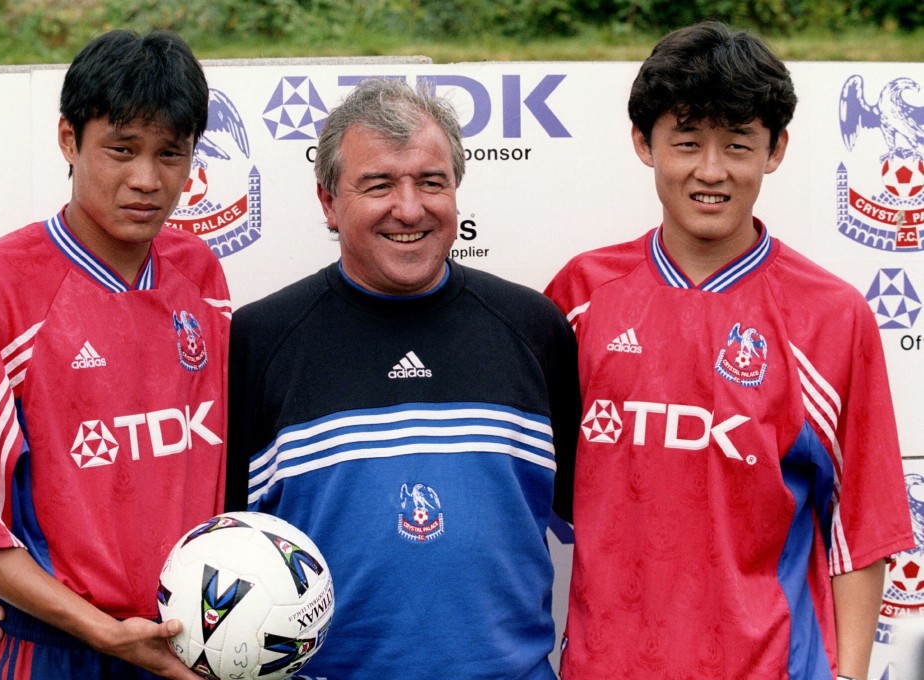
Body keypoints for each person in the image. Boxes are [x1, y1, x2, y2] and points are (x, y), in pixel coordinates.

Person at [545, 21, 914, 680]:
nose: (710, 171)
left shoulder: (831, 316)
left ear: (774, 151)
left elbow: (860, 527)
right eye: (686, 143)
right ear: (643, 144)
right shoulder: (579, 297)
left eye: (738, 145)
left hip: (772, 666)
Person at [224, 77, 581, 679]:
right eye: (379, 184)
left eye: (431, 181)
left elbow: (608, 519)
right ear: (328, 201)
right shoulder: (261, 340)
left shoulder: (533, 328)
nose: (410, 208)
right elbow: (207, 541)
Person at [0, 30, 229, 680]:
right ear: (68, 140)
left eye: (170, 154)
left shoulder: (199, 274)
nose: (147, 180)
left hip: (197, 649)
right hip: (55, 654)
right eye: (121, 150)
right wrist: (106, 634)